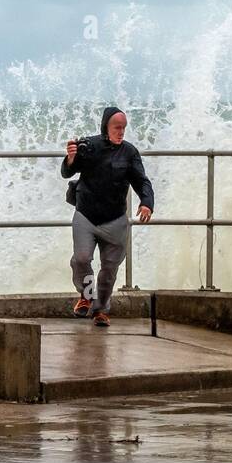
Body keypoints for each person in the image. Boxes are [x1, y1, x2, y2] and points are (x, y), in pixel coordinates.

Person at [61, 106, 153, 326]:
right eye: (117, 127)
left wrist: (146, 203)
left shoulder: (129, 152)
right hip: (86, 215)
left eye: (124, 128)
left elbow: (142, 181)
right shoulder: (90, 146)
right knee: (82, 259)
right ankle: (87, 295)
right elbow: (67, 172)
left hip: (115, 219)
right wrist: (71, 159)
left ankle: (101, 310)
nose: (121, 132)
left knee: (109, 270)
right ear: (106, 127)